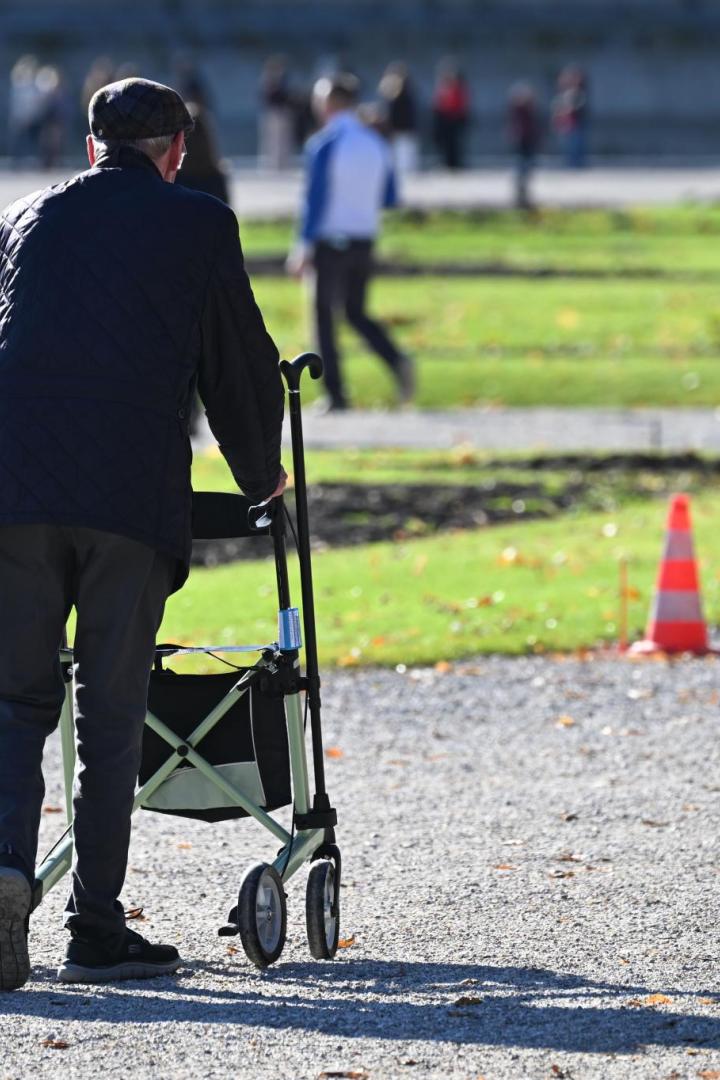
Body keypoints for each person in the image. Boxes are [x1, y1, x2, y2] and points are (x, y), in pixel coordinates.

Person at [0, 77, 285, 990]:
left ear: (91, 147)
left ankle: (7, 870)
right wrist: (263, 477)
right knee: (111, 716)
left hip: (16, 493)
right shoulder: (198, 223)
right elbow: (237, 365)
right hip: (126, 494)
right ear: (174, 150)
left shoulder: (22, 218)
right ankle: (95, 930)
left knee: (13, 705)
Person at [287, 74, 414, 412]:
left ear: (328, 102)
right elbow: (390, 196)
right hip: (365, 237)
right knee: (356, 312)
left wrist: (302, 245)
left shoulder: (325, 143)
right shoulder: (376, 143)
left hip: (331, 239)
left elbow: (314, 201)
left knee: (323, 317)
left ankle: (336, 394)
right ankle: (396, 359)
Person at [378, 62, 420, 175]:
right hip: (398, 133)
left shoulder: (403, 93)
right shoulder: (395, 93)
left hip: (403, 132)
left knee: (406, 167)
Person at [508, 82, 541, 209]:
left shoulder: (529, 111)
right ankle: (521, 192)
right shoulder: (519, 111)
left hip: (528, 141)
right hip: (522, 142)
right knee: (522, 167)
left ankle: (523, 192)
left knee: (526, 168)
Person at [432, 61, 470, 170]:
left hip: (453, 119)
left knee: (454, 143)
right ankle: (448, 162)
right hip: (446, 119)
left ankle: (454, 163)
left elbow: (456, 105)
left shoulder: (458, 88)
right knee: (447, 143)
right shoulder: (445, 87)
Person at [553, 65, 589, 169]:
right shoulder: (563, 92)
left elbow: (579, 106)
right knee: (569, 144)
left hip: (576, 121)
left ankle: (576, 163)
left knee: (576, 143)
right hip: (567, 122)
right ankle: (571, 162)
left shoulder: (579, 91)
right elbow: (558, 107)